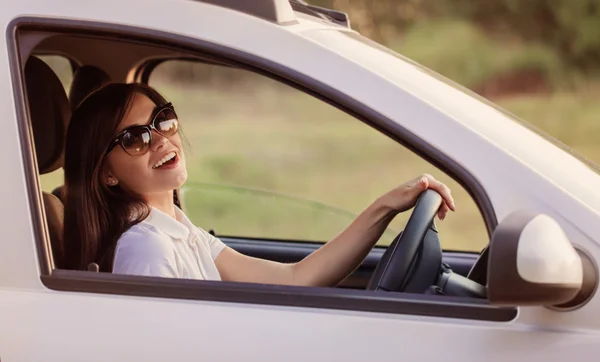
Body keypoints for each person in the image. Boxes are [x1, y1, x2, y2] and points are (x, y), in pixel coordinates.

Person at [62, 82, 455, 287]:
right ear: (106, 173)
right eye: (134, 138)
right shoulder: (146, 246)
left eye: (161, 119)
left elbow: (295, 278)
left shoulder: (175, 226)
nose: (162, 140)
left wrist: (386, 206)